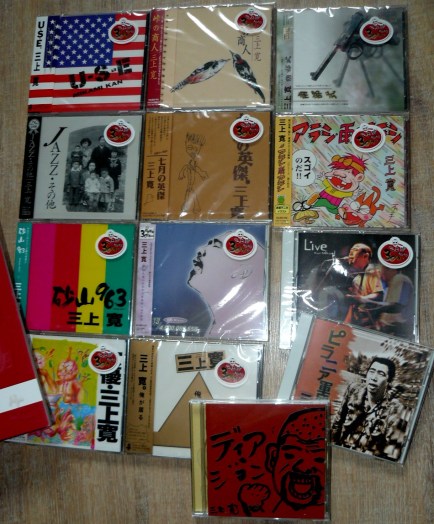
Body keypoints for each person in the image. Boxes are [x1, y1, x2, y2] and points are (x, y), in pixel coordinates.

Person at [187, 230, 266, 339]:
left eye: (216, 245)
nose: (200, 250)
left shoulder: (250, 333)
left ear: (242, 272)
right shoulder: (217, 330)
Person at [331, 356, 405, 459]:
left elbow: (390, 451)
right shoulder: (354, 390)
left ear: (389, 381)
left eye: (381, 374)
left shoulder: (395, 409)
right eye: (372, 371)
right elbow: (338, 422)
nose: (374, 377)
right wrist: (333, 446)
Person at [344, 242, 383, 328]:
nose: (350, 257)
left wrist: (359, 298)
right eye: (350, 254)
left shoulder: (373, 271)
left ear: (365, 256)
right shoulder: (356, 279)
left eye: (354, 254)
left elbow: (378, 295)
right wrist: (345, 324)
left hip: (372, 323)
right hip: (359, 322)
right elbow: (353, 305)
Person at [375, 265, 415, 338]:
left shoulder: (399, 279)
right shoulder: (391, 282)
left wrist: (378, 311)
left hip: (402, 327)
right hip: (397, 326)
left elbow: (397, 306)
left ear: (391, 270)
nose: (382, 275)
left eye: (383, 272)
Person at [179, 132, 209, 215]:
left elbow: (196, 169)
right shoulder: (190, 161)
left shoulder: (195, 161)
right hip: (190, 182)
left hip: (192, 182)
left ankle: (190, 207)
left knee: (191, 192)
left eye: (196, 149)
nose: (192, 151)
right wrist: (182, 173)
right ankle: (190, 207)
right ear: (185, 144)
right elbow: (188, 167)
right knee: (191, 192)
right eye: (189, 147)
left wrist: (201, 173)